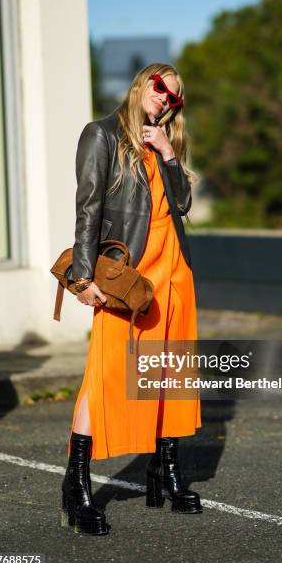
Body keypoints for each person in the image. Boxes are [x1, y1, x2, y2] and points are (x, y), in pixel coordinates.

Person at [61, 63, 203, 536]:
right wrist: (82, 276)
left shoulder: (165, 139)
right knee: (105, 374)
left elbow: (181, 203)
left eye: (174, 96)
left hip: (174, 272)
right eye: (161, 87)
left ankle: (165, 469)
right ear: (143, 83)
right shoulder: (100, 135)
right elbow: (89, 207)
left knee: (169, 375)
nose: (166, 98)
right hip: (130, 277)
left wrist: (168, 154)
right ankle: (75, 485)